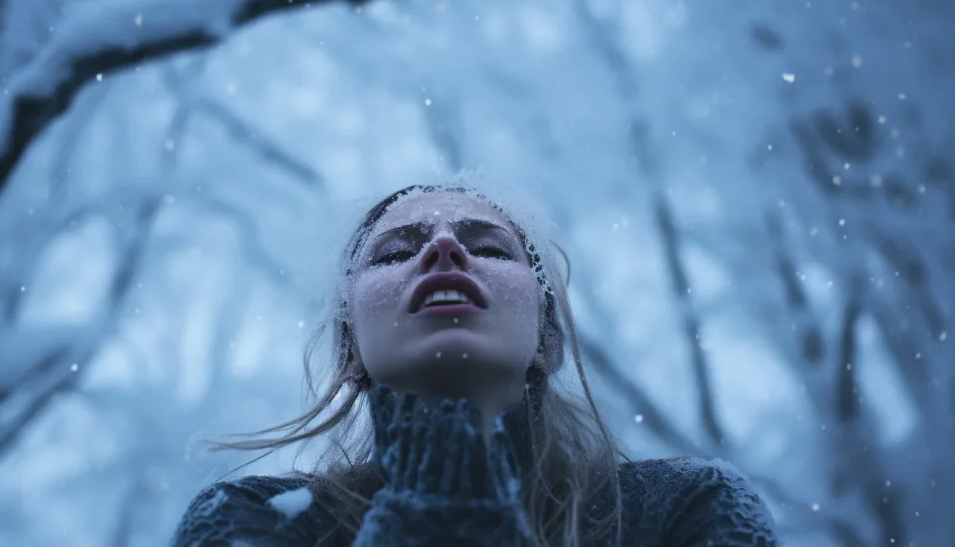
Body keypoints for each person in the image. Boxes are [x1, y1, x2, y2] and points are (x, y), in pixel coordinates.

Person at [172, 183, 779, 546]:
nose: (444, 247)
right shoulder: (253, 520)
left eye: (488, 247)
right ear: (351, 350)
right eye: (395, 252)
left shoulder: (684, 508)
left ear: (545, 341)